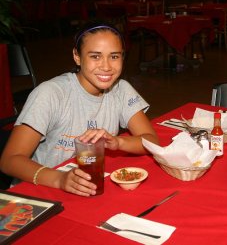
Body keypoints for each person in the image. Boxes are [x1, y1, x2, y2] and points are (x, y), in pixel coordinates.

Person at [0, 22, 159, 196]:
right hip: (39, 191)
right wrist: (59, 179)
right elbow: (9, 160)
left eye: (114, 56)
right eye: (95, 56)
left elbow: (152, 141)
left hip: (87, 188)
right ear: (77, 56)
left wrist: (117, 142)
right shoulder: (51, 94)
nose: (106, 66)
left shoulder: (121, 90)